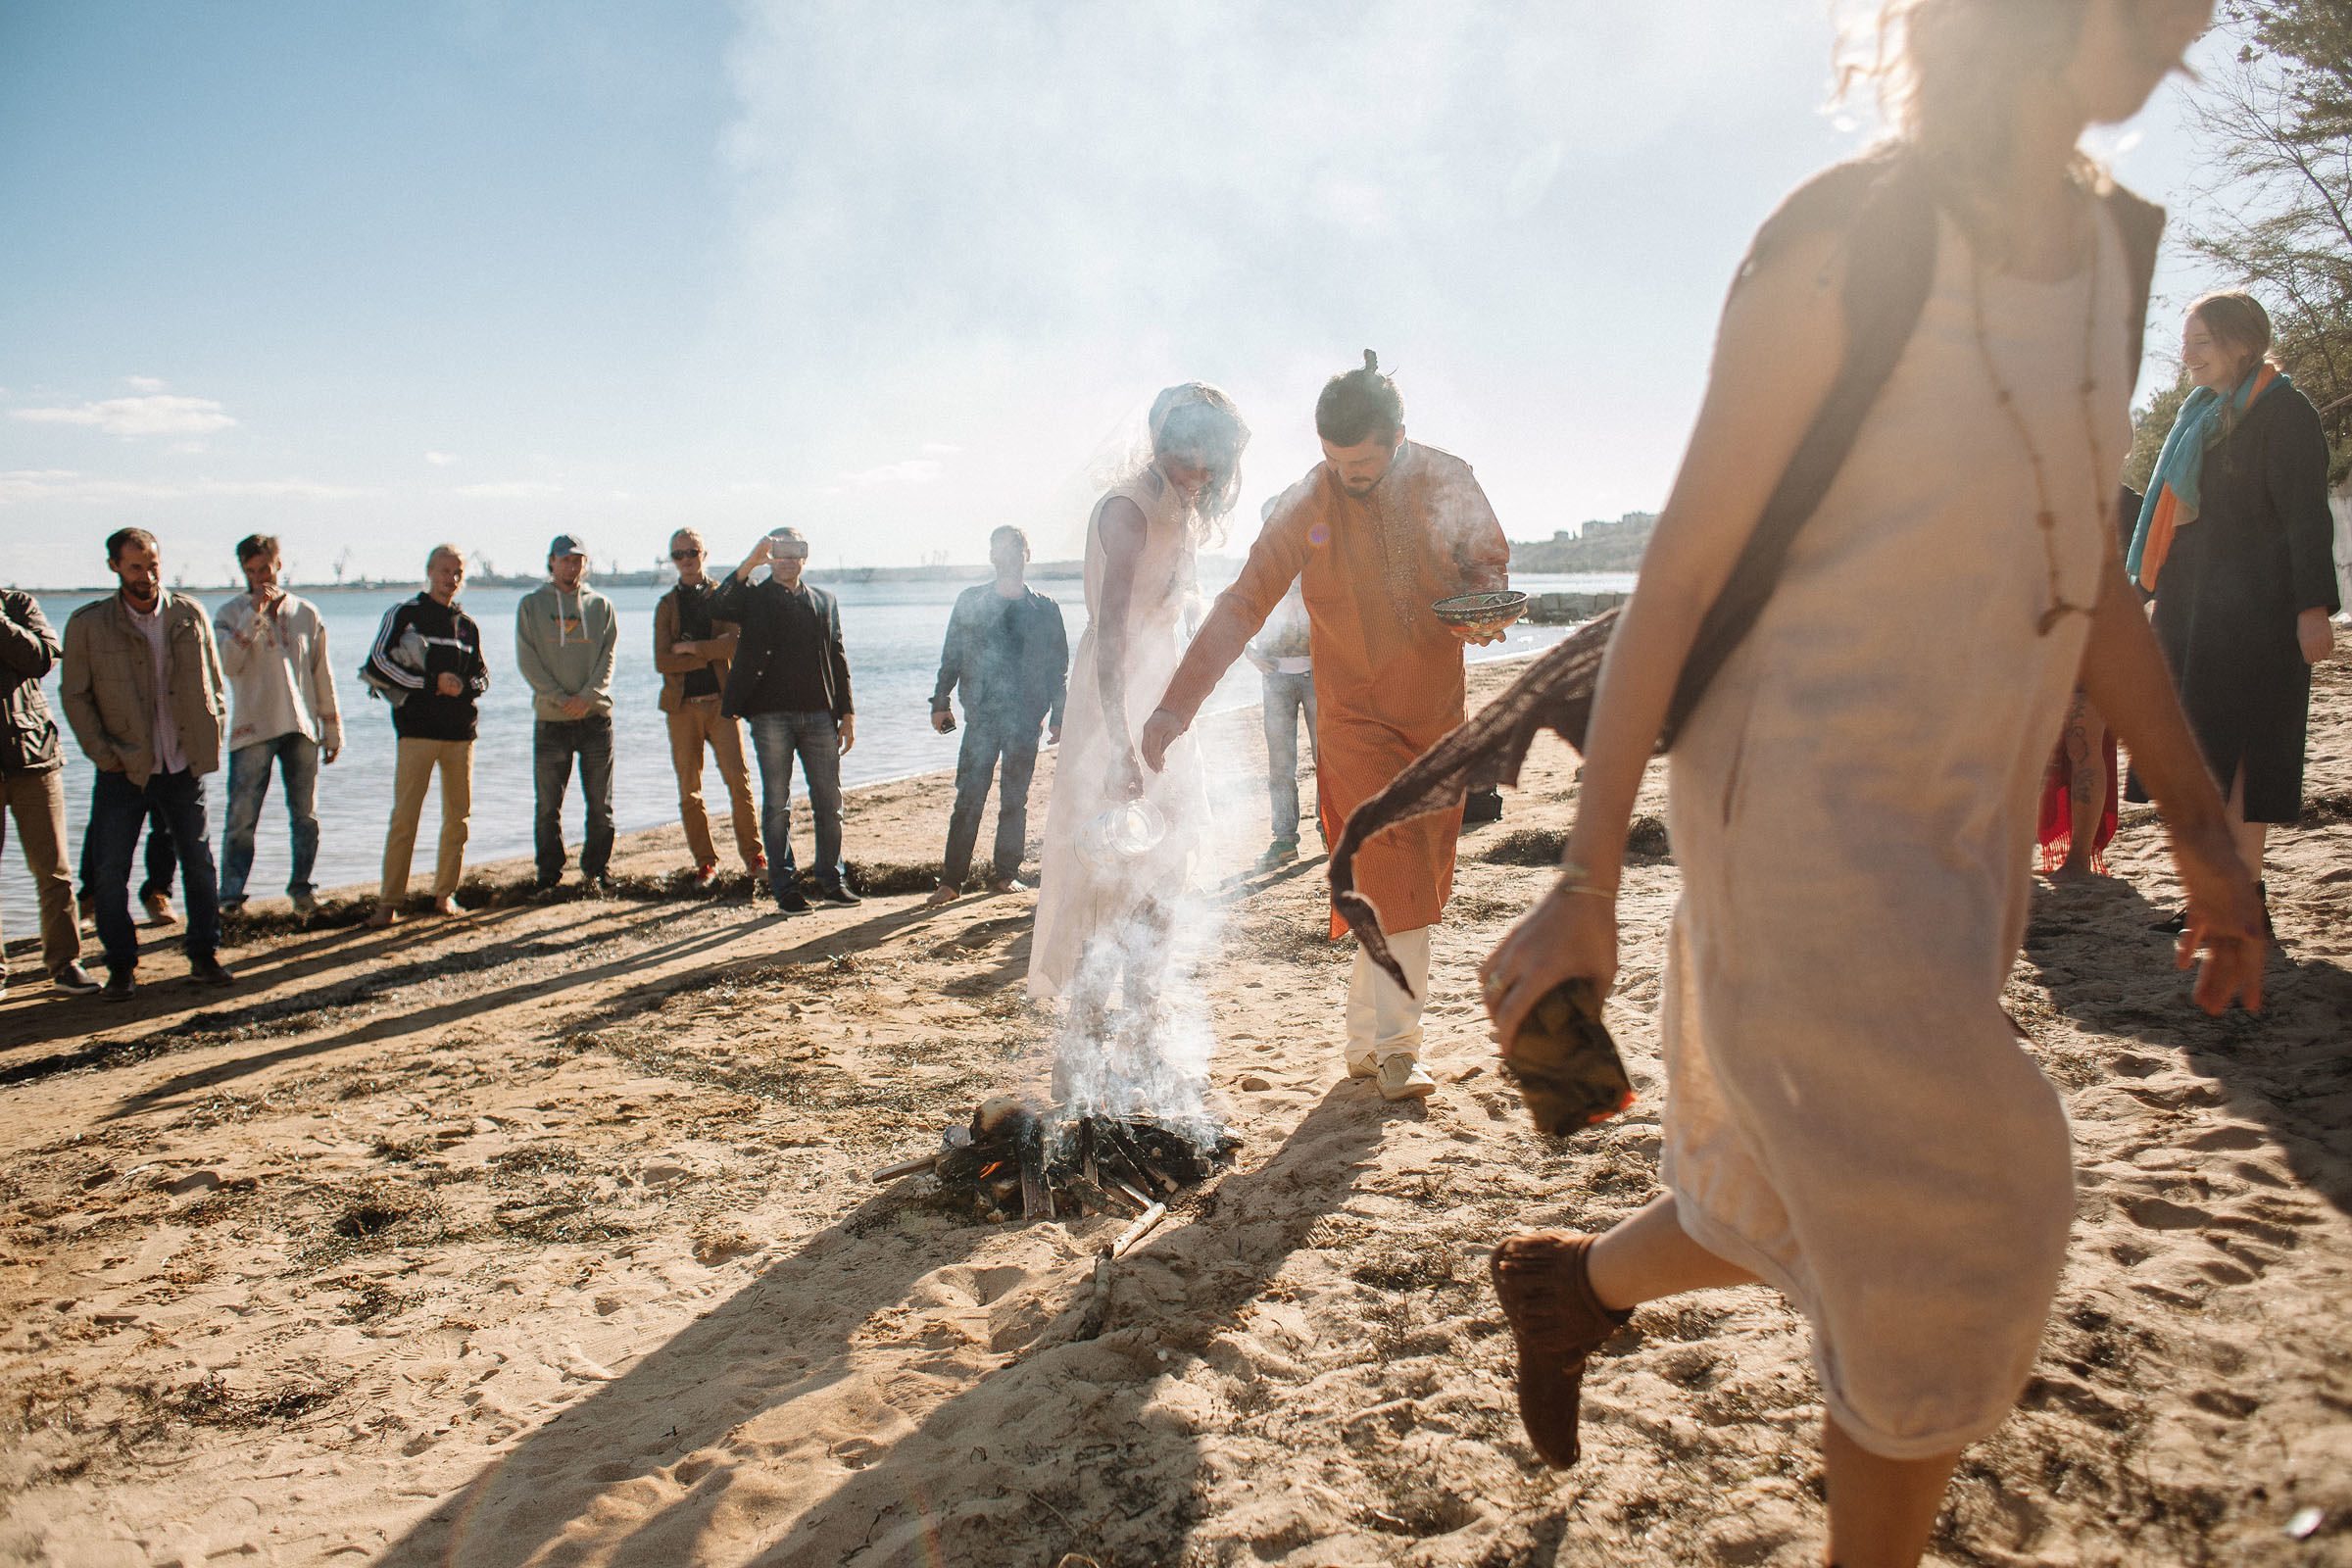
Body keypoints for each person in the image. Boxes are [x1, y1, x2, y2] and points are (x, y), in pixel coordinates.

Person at [1469, 5, 2260, 1566]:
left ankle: (1567, 1292)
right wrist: (1584, 882)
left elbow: (2092, 571)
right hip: (1798, 805)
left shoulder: (2110, 258)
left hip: (1957, 810)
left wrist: (2203, 833)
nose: (2197, 24)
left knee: (1791, 1182)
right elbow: (1680, 577)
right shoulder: (1850, 237)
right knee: (1970, 1202)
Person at [1140, 353, 1512, 1102]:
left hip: (1434, 713)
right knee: (1393, 862)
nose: (1348, 477)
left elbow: (1487, 566)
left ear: (1399, 436)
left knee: (1400, 883)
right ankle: (1402, 1049)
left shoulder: (1449, 478)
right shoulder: (1311, 499)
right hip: (1352, 717)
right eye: (1334, 461)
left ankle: (1362, 1045)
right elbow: (1244, 602)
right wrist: (1174, 707)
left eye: (1364, 464)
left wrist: (1486, 608)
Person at [1030, 382, 1250, 1109]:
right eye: (1191, 458)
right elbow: (1113, 633)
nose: (1201, 476)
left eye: (1211, 464)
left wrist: (1178, 715)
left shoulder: (1178, 507)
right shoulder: (1127, 507)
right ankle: (1082, 1060)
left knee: (1162, 875)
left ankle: (1145, 1047)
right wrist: (1121, 744)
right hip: (1114, 706)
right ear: (1163, 443)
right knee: (1106, 875)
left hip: (1163, 707)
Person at [2128, 290, 2341, 927]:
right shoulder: (2204, 416)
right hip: (2196, 615)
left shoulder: (2284, 413)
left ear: (2241, 342)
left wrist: (2313, 608)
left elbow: (2306, 518)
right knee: (2199, 756)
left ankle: (2242, 899)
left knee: (2245, 758)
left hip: (2260, 619)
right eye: (2186, 341)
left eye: (2201, 341)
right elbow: (2171, 523)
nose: (2187, 355)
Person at [59, 527, 236, 1000]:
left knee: (198, 863)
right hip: (123, 768)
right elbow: (75, 697)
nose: (147, 574)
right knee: (110, 870)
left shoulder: (189, 613)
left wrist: (210, 733)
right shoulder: (88, 624)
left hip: (183, 764)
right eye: (135, 565)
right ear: (114, 567)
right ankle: (121, 967)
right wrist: (104, 754)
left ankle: (204, 955)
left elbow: (214, 683)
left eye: (153, 563)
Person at [712, 525, 858, 914]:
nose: (788, 558)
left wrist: (847, 713)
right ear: (770, 555)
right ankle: (785, 887)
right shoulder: (754, 599)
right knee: (777, 803)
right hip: (769, 717)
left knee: (830, 800)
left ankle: (831, 879)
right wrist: (749, 563)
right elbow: (717, 606)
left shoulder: (825, 601)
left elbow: (838, 658)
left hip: (819, 716)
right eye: (780, 551)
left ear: (806, 556)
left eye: (796, 550)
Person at [925, 525, 1069, 906]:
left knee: (1014, 799)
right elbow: (952, 654)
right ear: (992, 556)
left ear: (1027, 554)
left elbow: (1059, 668)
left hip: (1027, 720)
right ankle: (951, 881)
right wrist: (941, 701)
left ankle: (1005, 875)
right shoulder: (971, 601)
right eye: (1000, 550)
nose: (1008, 556)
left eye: (1015, 549)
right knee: (968, 799)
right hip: (982, 718)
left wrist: (1059, 715)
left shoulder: (1046, 608)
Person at [214, 533, 342, 913]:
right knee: (241, 817)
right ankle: (231, 898)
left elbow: (322, 672)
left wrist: (332, 727)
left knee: (306, 815)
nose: (259, 578)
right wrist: (254, 616)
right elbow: (226, 665)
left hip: (301, 726)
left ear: (278, 565)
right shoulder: (228, 614)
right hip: (251, 728)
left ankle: (303, 891)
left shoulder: (306, 612)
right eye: (250, 571)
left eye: (265, 568)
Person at [365, 545, 489, 930]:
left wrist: (462, 686)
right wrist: (431, 683)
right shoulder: (405, 614)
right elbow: (378, 663)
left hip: (460, 735)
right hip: (416, 732)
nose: (450, 578)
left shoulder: (467, 624)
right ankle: (388, 903)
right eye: (443, 570)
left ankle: (444, 894)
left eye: (457, 571)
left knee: (458, 818)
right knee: (405, 817)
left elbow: (483, 677)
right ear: (429, 570)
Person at [2037, 484, 2144, 879]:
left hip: (2102, 642)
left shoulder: (2131, 504)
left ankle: (2079, 857)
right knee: (2041, 748)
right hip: (2048, 640)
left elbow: (2156, 567)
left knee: (2081, 743)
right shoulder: (2042, 496)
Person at [1, 588, 99, 998]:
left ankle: (65, 963)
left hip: (32, 754)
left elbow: (42, 658)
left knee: (54, 869)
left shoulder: (16, 604)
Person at [655, 527, 766, 888]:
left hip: (722, 704)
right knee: (690, 789)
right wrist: (708, 649)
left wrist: (691, 648)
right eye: (678, 554)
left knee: (739, 781)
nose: (686, 559)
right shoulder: (667, 605)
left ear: (704, 553)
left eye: (692, 551)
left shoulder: (723, 597)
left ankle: (754, 856)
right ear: (673, 560)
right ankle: (706, 864)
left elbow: (734, 646)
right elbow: (662, 661)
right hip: (681, 708)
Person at [516, 533, 619, 895]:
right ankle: (548, 872)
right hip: (552, 721)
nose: (571, 565)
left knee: (600, 804)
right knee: (548, 806)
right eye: (565, 559)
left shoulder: (601, 605)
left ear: (585, 564)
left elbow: (607, 657)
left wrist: (588, 696)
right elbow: (528, 660)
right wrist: (560, 698)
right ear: (551, 561)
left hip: (595, 721)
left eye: (578, 559)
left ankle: (597, 870)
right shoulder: (531, 605)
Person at [1246, 573, 1317, 868]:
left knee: (1327, 759)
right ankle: (1285, 841)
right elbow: (1242, 617)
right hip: (1275, 680)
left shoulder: (1318, 566)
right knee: (1280, 767)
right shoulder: (1267, 569)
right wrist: (1250, 653)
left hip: (1318, 679)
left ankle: (1333, 831)